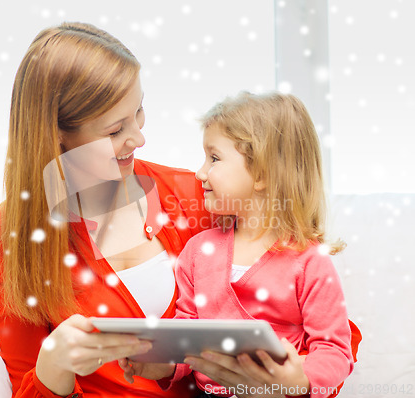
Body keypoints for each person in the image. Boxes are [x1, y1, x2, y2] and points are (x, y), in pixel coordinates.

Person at [0, 22, 216, 398]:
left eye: (139, 111)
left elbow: (299, 320)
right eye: (114, 130)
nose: (138, 137)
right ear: (56, 133)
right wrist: (52, 367)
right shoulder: (7, 234)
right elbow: (25, 381)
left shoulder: (196, 193)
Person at [119, 92, 362, 398]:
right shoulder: (197, 252)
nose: (200, 173)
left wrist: (299, 382)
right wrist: (160, 365)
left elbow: (334, 350)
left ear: (261, 173)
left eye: (214, 158)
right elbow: (187, 340)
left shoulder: (311, 262)